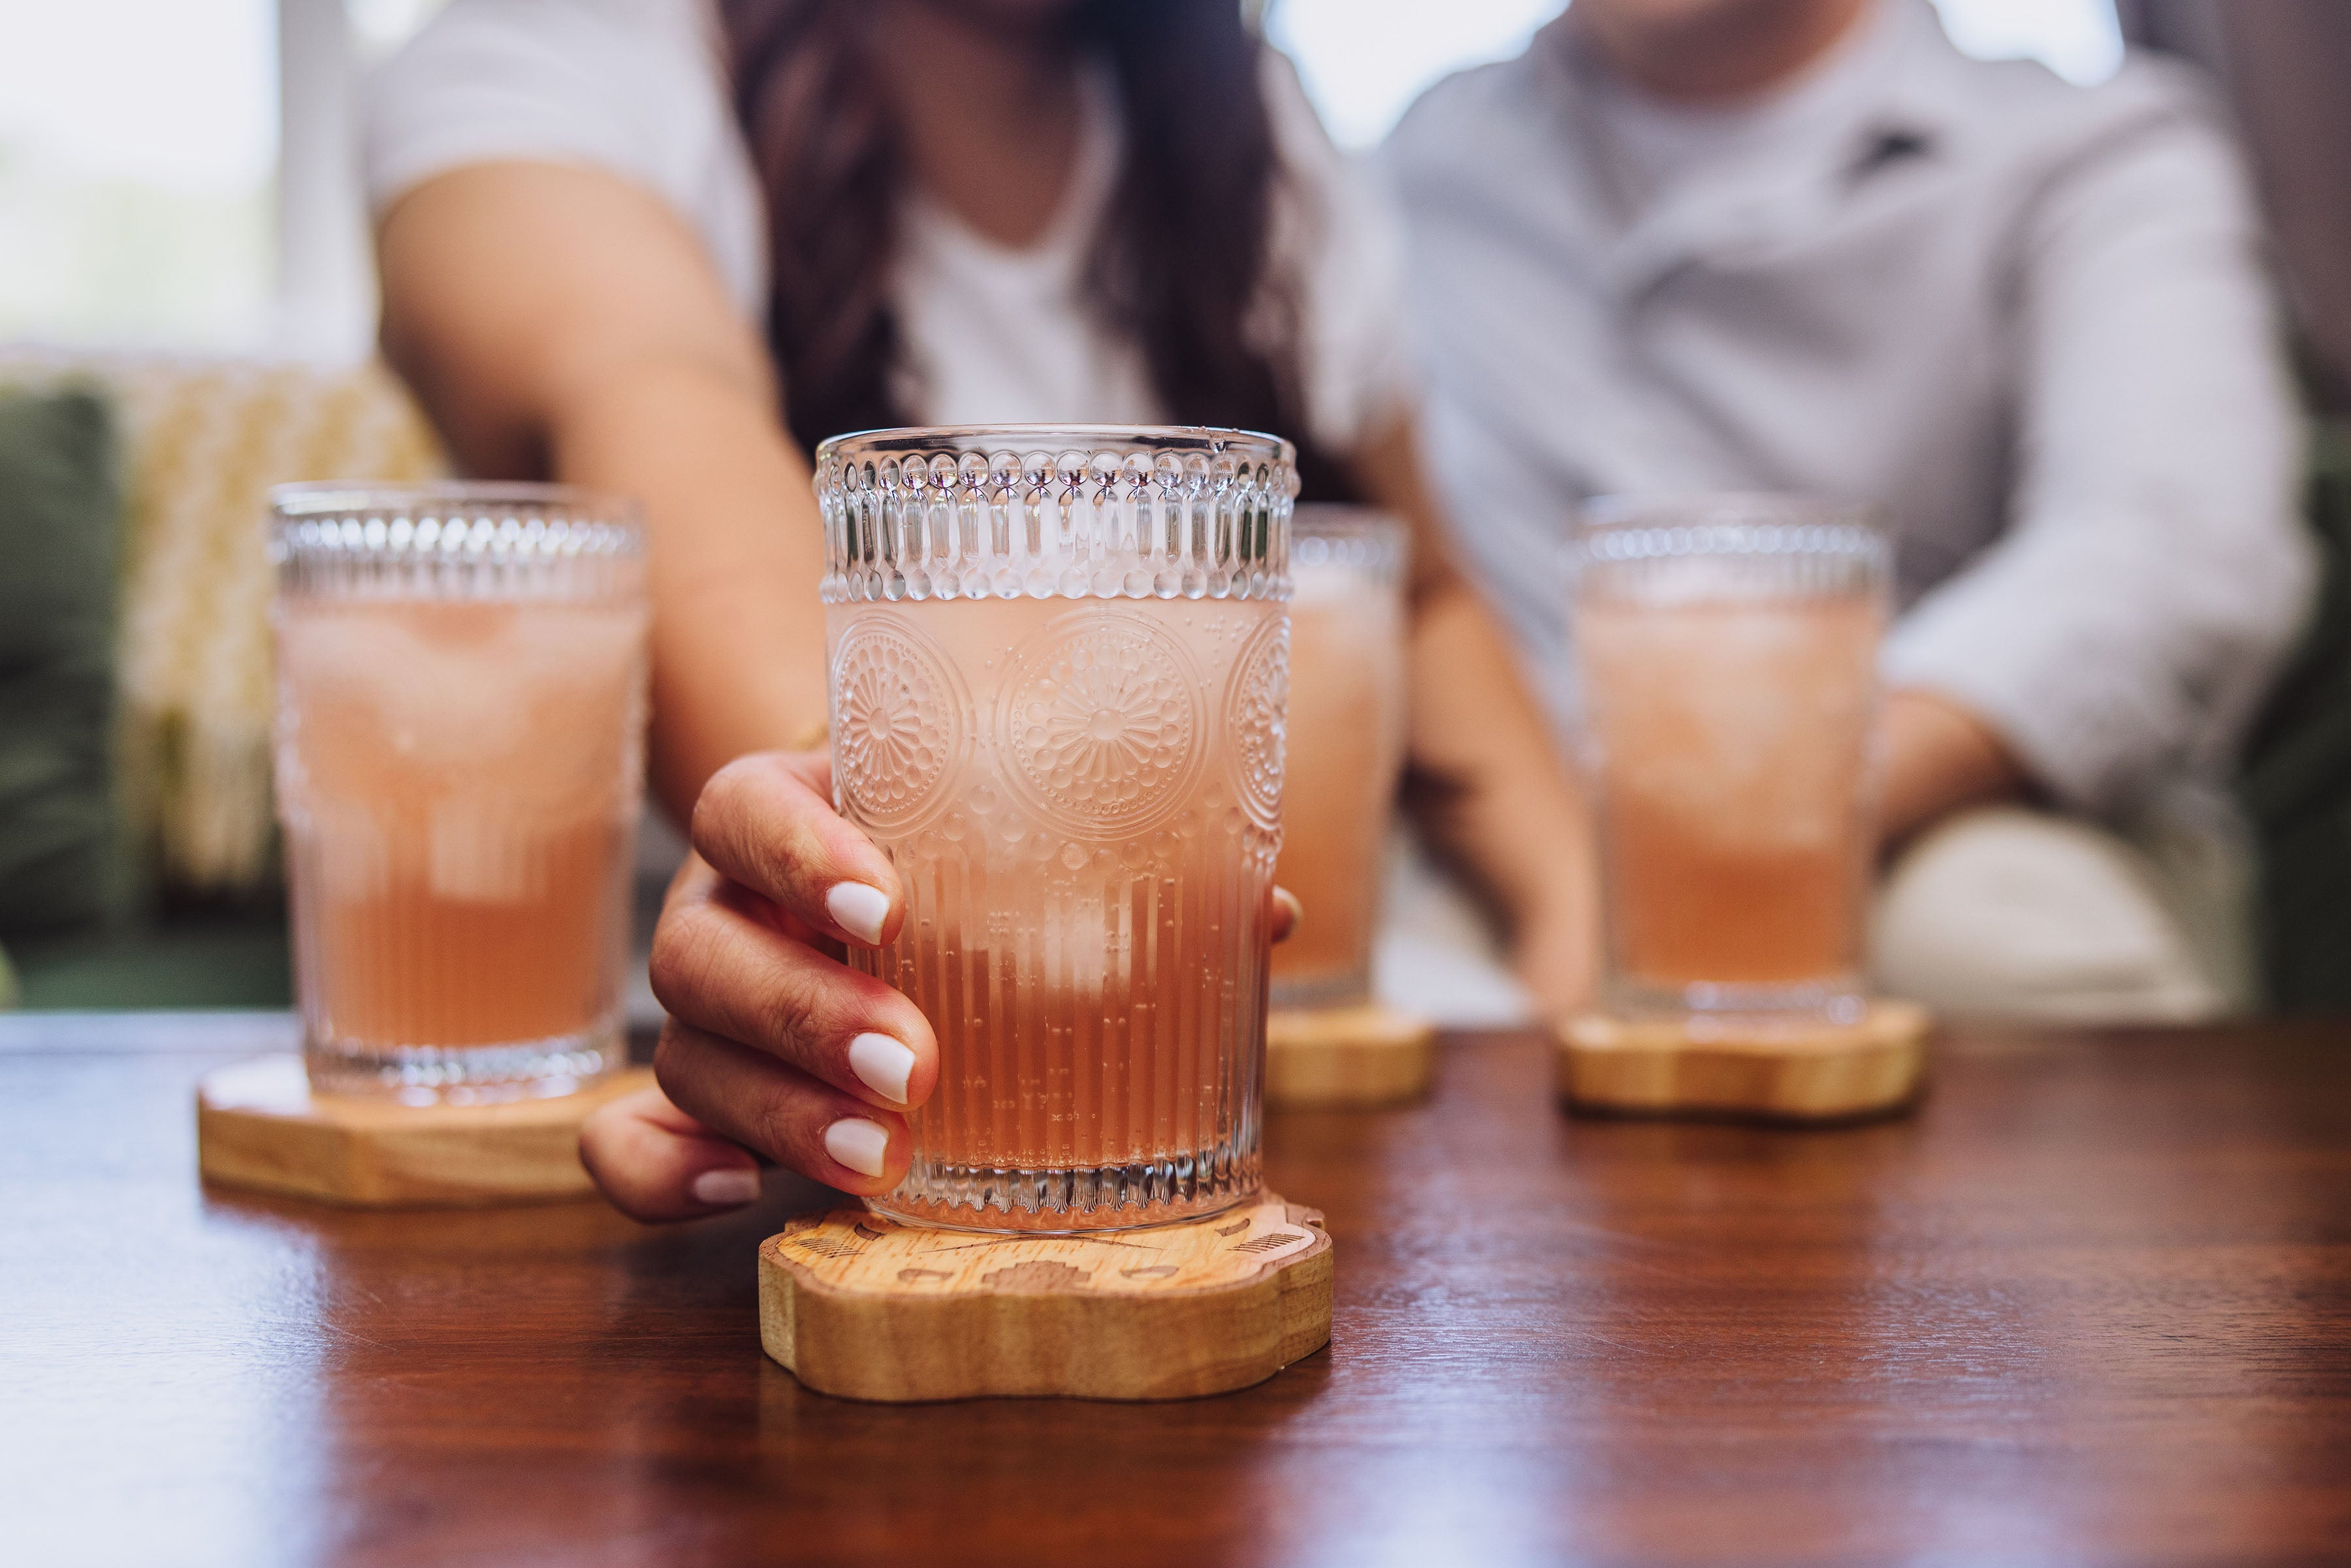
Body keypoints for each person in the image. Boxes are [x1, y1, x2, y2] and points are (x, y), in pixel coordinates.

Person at [364, 0, 1595, 1219]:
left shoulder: (1258, 125)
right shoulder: (558, 54)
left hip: (1238, 1115)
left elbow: (1415, 587)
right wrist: (879, 845)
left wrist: (1568, 913)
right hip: (818, 1157)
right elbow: (651, 397)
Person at [1386, 0, 2314, 1022]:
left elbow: (2173, 551)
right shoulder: (1418, 171)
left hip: (1949, 818)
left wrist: (1762, 804)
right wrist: (1567, 879)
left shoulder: (2096, 151)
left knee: (1988, 936)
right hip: (1527, 843)